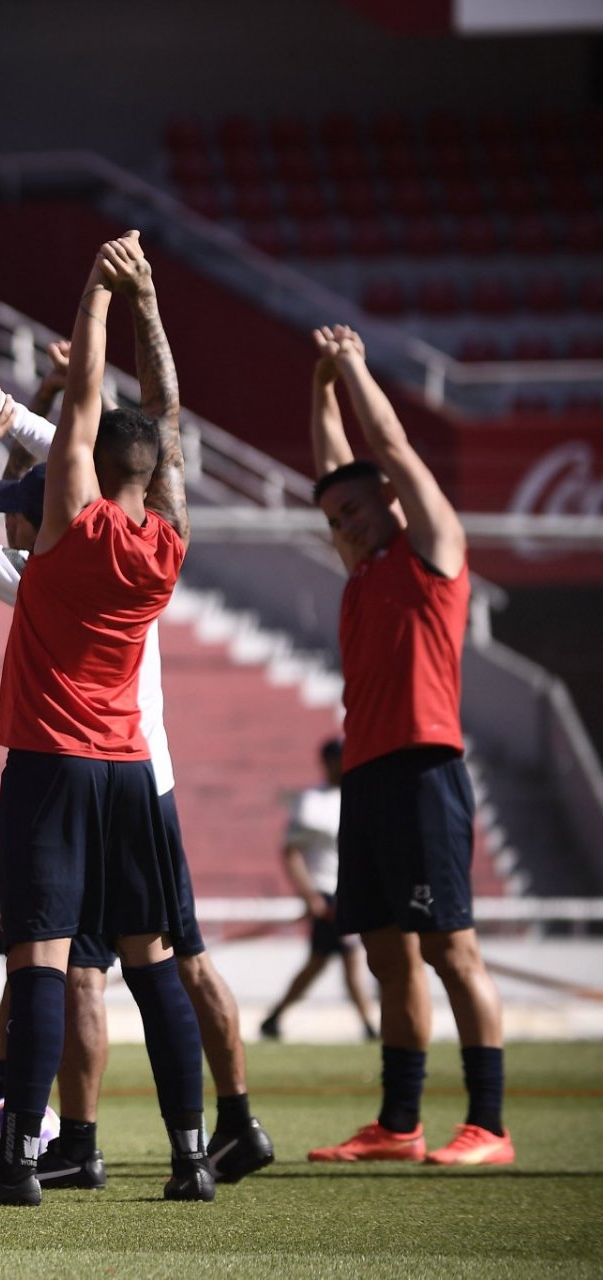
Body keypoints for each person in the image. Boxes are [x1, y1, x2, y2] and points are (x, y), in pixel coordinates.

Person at [0, 313, 272, 1192]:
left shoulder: (52, 553)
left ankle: (22, 1158)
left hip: (54, 763)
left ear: (69, 490)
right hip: (135, 771)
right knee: (156, 959)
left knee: (42, 959)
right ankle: (194, 1154)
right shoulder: (166, 546)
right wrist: (145, 306)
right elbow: (158, 423)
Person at [304, 325, 513, 1167]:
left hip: (428, 771)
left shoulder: (433, 553)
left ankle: (489, 1126)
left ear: (394, 499)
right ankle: (399, 1124)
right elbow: (334, 470)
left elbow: (384, 443)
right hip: (369, 778)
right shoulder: (361, 576)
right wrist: (317, 388)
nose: (344, 525)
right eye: (334, 518)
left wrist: (349, 365)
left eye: (356, 511)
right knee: (388, 955)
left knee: (451, 951)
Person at [260, 738, 377, 1042]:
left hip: (349, 891)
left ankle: (275, 1017)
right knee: (350, 956)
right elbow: (291, 852)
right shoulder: (313, 802)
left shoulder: (357, 796)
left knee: (318, 962)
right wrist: (310, 895)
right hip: (327, 893)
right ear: (327, 762)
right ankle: (369, 1025)